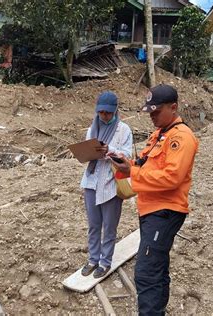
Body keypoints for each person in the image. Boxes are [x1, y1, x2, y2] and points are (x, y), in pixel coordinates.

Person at [110, 84, 198, 315]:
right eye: (150, 112)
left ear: (173, 107)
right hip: (151, 210)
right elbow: (144, 166)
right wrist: (125, 164)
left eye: (156, 111)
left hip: (165, 211)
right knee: (156, 269)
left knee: (147, 272)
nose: (152, 116)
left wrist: (133, 173)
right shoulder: (159, 134)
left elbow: (172, 178)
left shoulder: (182, 138)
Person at [80, 91, 133, 279]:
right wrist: (86, 152)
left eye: (108, 113)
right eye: (101, 112)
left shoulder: (123, 129)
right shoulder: (92, 128)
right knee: (94, 225)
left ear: (115, 110)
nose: (104, 116)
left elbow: (128, 155)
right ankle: (93, 259)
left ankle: (105, 262)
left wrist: (109, 150)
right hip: (92, 180)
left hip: (111, 182)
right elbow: (87, 150)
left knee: (109, 226)